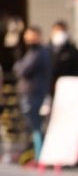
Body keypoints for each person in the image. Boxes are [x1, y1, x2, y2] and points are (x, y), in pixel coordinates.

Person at [14, 25, 52, 158]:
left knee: (36, 126)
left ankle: (39, 155)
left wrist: (18, 65)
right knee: (33, 126)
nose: (26, 38)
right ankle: (36, 154)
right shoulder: (33, 52)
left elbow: (23, 70)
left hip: (35, 94)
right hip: (32, 93)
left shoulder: (39, 52)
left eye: (28, 35)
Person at [48, 21, 78, 100]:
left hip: (68, 90)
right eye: (57, 31)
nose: (59, 34)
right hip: (50, 89)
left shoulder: (73, 52)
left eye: (62, 31)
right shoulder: (47, 50)